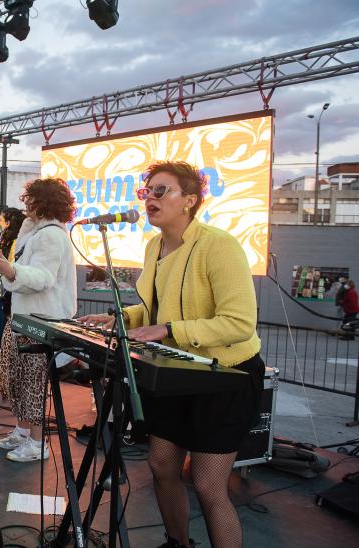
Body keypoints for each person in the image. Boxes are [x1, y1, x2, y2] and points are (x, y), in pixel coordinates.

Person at [78, 161, 264, 548]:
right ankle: (178, 542)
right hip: (177, 374)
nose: (149, 199)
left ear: (190, 201)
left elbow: (239, 323)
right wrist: (121, 319)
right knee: (162, 466)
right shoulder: (153, 246)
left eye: (161, 191)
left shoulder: (219, 245)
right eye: (147, 192)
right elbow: (156, 310)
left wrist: (169, 331)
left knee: (209, 485)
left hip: (225, 377)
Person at [0, 178, 77, 462]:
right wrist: (6, 264)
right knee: (15, 378)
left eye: (30, 200)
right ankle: (23, 432)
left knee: (32, 383)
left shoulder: (51, 235)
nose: (25, 205)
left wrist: (9, 269)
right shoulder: (35, 232)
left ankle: (38, 444)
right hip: (26, 318)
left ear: (42, 202)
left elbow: (43, 278)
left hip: (41, 322)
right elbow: (23, 272)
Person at [0, 207, 26, 318]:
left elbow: (10, 266)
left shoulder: (16, 242)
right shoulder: (7, 241)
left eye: (0, 220)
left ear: (7, 223)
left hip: (11, 295)